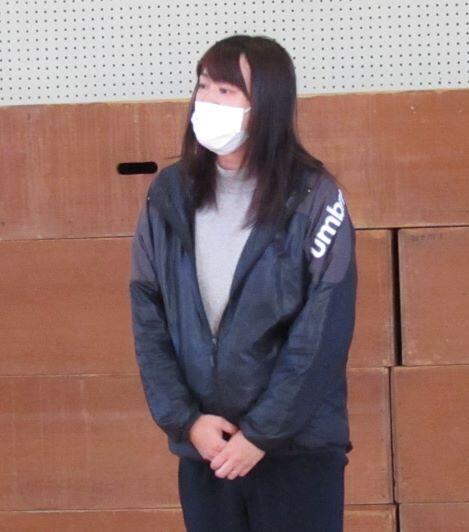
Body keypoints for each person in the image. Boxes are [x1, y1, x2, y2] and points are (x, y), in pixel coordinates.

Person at [129, 34, 357, 532]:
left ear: (265, 105)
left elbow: (322, 331)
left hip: (296, 449)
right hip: (207, 446)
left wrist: (261, 434)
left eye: (227, 91)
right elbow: (149, 315)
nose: (207, 100)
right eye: (203, 86)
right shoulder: (168, 194)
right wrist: (186, 422)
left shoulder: (314, 197)